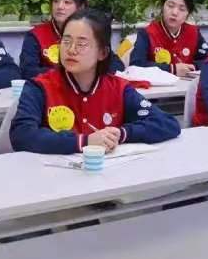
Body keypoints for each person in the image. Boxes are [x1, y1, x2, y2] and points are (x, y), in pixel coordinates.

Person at [10, 9, 180, 153]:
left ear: (102, 53)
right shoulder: (39, 87)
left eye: (81, 44)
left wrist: (121, 134)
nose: (71, 50)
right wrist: (84, 141)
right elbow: (21, 135)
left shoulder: (119, 88)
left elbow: (167, 124)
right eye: (66, 41)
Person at [131, 0, 208, 76]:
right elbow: (136, 65)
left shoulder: (194, 32)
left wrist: (193, 67)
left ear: (188, 13)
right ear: (162, 6)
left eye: (182, 9)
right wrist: (172, 69)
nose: (174, 12)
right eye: (170, 6)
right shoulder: (147, 33)